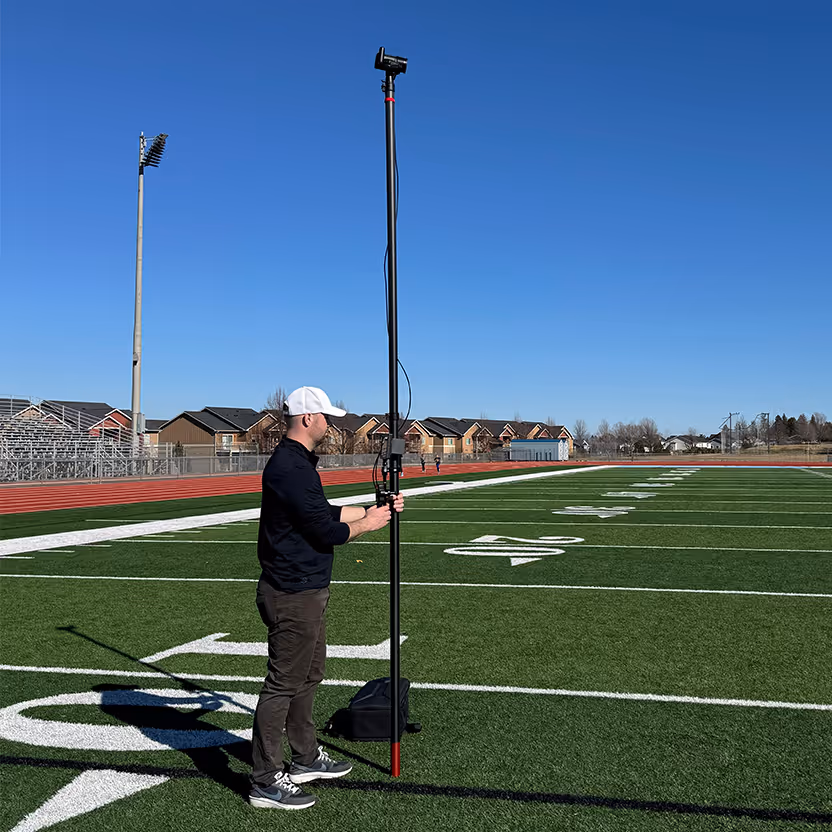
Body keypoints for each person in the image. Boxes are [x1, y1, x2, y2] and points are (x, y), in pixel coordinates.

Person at [249, 386, 404, 811]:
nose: (330, 424)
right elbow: (327, 532)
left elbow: (325, 512)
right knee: (283, 684)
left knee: (309, 675)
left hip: (308, 588)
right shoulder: (290, 468)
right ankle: (264, 779)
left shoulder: (300, 465)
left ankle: (303, 757)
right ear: (306, 419)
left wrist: (378, 508)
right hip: (292, 592)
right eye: (324, 417)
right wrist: (369, 524)